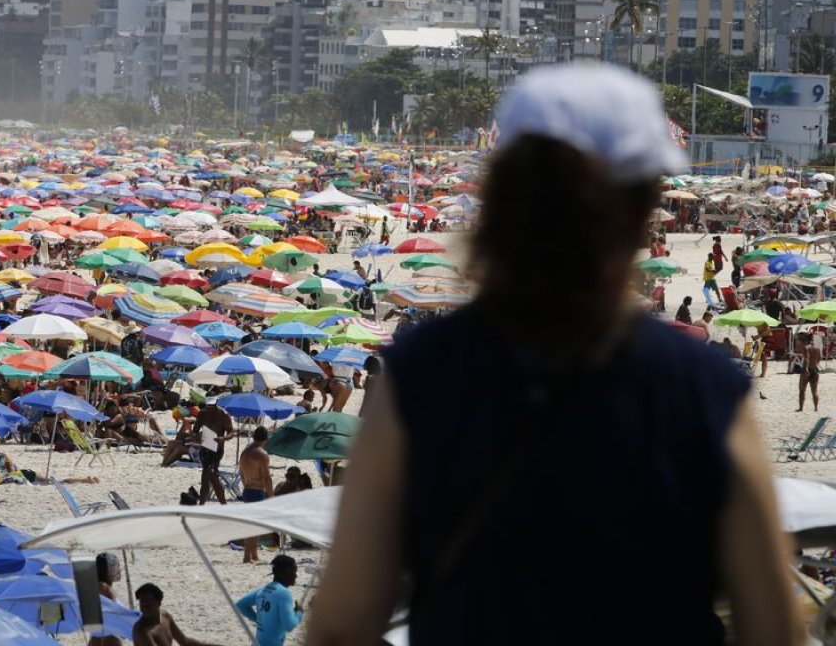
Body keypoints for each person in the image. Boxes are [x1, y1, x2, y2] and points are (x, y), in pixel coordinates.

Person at [305, 65, 802, 645]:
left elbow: (343, 623)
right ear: (644, 206)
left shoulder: (424, 372)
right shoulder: (700, 386)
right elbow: (773, 625)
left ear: (500, 195)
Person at [236, 555, 304, 646]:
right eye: (294, 571)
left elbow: (241, 605)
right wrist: (299, 613)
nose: (296, 575)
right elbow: (289, 625)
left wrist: (260, 620)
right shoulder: (284, 593)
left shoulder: (263, 589)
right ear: (286, 572)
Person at [132, 583, 220, 646]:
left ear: (158, 603)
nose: (145, 609)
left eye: (149, 605)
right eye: (142, 605)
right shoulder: (142, 631)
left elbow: (185, 641)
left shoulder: (165, 617)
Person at [238, 426, 274, 563]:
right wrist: (271, 496)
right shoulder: (262, 454)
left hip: (247, 489)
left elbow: (241, 473)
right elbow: (266, 478)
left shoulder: (245, 453)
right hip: (257, 491)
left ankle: (254, 555)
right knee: (254, 526)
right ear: (266, 438)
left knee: (252, 524)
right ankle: (247, 557)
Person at [192, 399, 234, 505]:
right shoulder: (202, 414)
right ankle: (220, 505)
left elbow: (231, 432)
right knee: (207, 478)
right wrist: (197, 438)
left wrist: (223, 438)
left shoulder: (224, 415)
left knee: (208, 476)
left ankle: (213, 505)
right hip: (205, 449)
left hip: (217, 450)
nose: (209, 409)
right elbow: (195, 431)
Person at [90, 552, 123, 646]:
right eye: (117, 566)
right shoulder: (103, 588)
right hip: (108, 640)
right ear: (110, 569)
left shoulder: (98, 588)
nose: (120, 570)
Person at [798, 332, 823, 413]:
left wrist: (805, 369)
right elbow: (820, 358)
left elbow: (806, 358)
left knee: (802, 390)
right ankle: (816, 408)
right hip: (815, 369)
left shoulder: (806, 347)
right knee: (814, 391)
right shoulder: (817, 348)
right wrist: (815, 364)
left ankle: (801, 408)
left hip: (806, 369)